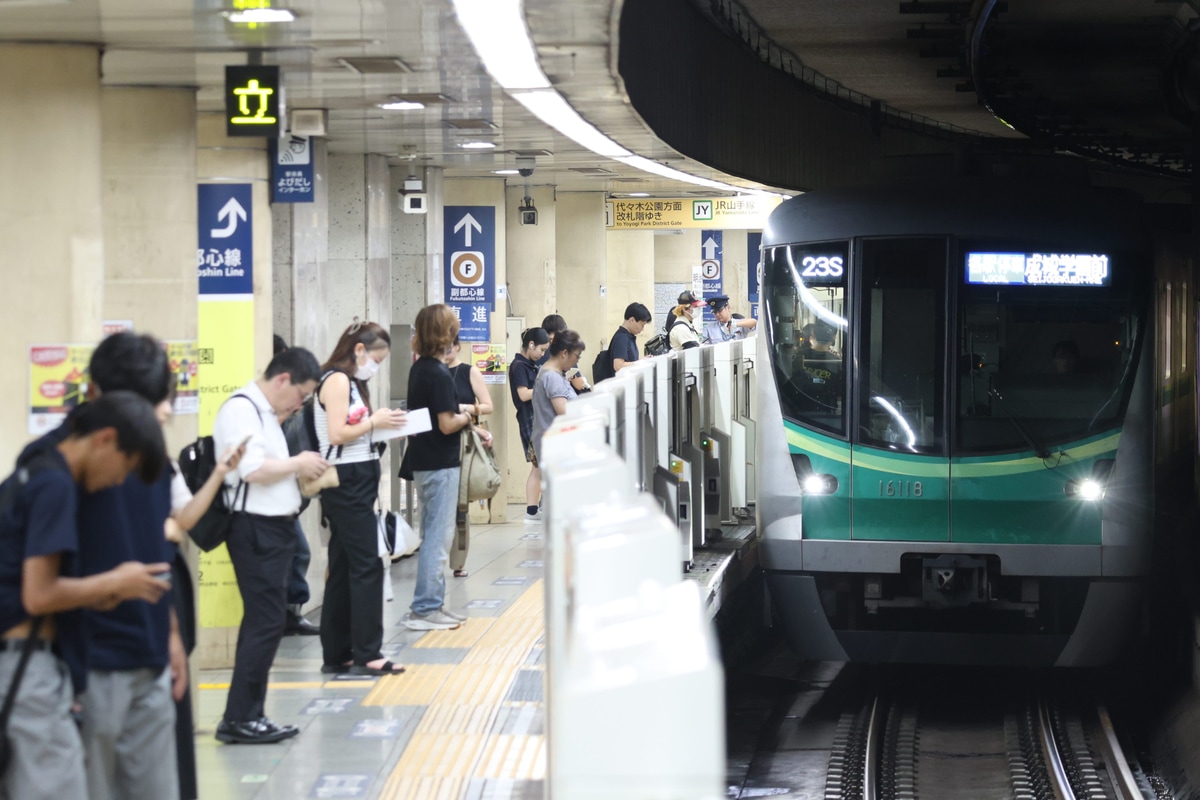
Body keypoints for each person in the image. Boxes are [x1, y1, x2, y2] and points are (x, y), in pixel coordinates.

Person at [16, 331, 188, 800]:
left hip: (149, 655)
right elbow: (41, 583)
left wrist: (171, 634)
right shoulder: (55, 465)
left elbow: (155, 548)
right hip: (88, 662)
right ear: (94, 395)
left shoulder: (144, 450)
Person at [212, 347, 328, 744]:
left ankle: (249, 714)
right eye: (300, 395)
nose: (300, 403)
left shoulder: (264, 413)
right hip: (255, 529)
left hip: (272, 528)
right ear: (282, 380)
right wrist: (298, 463)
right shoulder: (241, 410)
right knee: (264, 624)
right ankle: (240, 718)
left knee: (264, 624)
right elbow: (252, 470)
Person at [159, 381, 245, 800]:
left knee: (171, 740)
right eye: (159, 404)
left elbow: (185, 516)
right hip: (117, 630)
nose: (165, 414)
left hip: (164, 606)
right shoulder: (75, 465)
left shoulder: (159, 462)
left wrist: (219, 473)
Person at [315, 321, 407, 677]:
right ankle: (368, 651)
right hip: (345, 483)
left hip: (355, 481)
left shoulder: (350, 383)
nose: (377, 366)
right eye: (376, 358)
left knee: (341, 568)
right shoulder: (337, 380)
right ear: (358, 350)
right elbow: (338, 433)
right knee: (368, 564)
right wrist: (374, 423)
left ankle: (337, 652)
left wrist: (379, 426)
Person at [403, 305, 475, 631]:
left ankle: (434, 604)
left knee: (435, 533)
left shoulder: (420, 369)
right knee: (438, 537)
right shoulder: (438, 373)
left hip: (424, 460)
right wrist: (469, 416)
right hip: (440, 463)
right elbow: (446, 424)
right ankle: (425, 608)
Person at [272, 334, 319, 637]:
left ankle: (291, 613)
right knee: (297, 551)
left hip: (285, 493)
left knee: (298, 551)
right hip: (267, 498)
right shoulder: (251, 406)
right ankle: (285, 613)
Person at [444, 336, 494, 578]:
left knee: (460, 507)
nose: (444, 350)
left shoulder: (468, 372)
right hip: (437, 444)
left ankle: (458, 562)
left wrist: (465, 408)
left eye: (448, 346)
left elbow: (487, 405)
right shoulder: (432, 370)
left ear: (457, 346)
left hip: (463, 442)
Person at [509, 328, 549, 522]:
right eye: (541, 350)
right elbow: (523, 394)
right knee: (538, 466)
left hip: (537, 419)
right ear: (531, 344)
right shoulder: (518, 366)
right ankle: (531, 511)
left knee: (540, 466)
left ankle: (535, 510)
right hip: (529, 421)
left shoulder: (530, 365)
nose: (542, 354)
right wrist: (544, 386)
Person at [531, 330, 587, 465]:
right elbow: (564, 413)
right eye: (577, 356)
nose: (577, 361)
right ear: (564, 353)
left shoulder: (553, 372)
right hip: (555, 446)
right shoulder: (552, 377)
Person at [610, 302, 652, 373]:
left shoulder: (628, 336)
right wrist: (641, 362)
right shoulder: (622, 338)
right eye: (642, 325)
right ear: (632, 320)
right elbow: (618, 366)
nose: (643, 329)